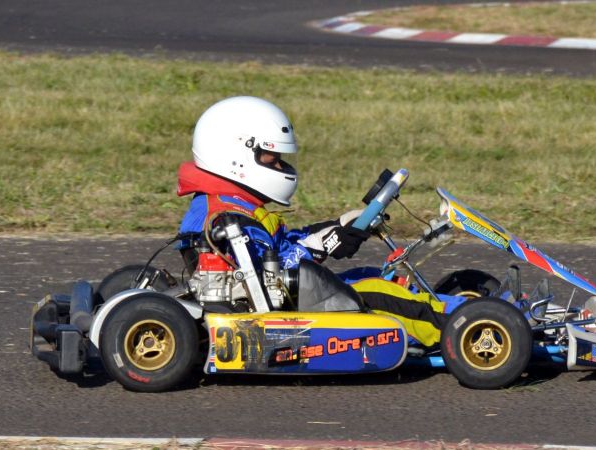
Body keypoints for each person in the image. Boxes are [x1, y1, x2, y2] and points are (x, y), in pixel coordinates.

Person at [177, 96, 459, 348]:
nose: (280, 166)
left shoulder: (230, 204)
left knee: (368, 275)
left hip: (283, 294)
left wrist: (336, 225)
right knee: (377, 292)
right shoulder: (223, 216)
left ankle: (462, 308)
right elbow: (270, 274)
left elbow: (280, 246)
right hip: (274, 308)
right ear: (236, 154)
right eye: (272, 158)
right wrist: (326, 243)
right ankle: (464, 326)